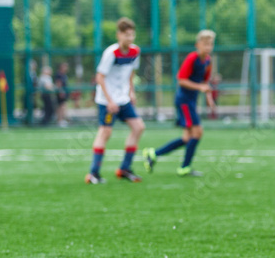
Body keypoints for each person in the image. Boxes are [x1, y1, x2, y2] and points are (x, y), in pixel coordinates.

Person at [144, 30, 218, 177]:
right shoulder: (192, 58)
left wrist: (210, 100)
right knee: (197, 132)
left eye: (210, 44)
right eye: (205, 44)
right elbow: (181, 80)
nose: (208, 47)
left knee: (186, 138)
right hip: (184, 101)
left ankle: (153, 154)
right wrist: (200, 88)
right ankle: (184, 167)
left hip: (190, 101)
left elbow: (204, 82)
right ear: (198, 45)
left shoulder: (208, 61)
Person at [85, 17, 145, 184]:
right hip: (107, 100)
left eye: (132, 35)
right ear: (119, 35)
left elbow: (132, 73)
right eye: (126, 35)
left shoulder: (135, 52)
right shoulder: (111, 53)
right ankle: (93, 173)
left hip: (123, 99)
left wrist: (131, 92)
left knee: (138, 127)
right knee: (106, 133)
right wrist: (110, 101)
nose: (130, 38)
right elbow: (100, 77)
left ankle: (125, 168)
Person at [54, 62, 70, 127]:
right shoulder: (59, 74)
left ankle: (62, 119)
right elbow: (58, 83)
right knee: (61, 107)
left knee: (63, 106)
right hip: (61, 93)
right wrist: (61, 91)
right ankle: (60, 120)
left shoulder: (64, 75)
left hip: (64, 92)